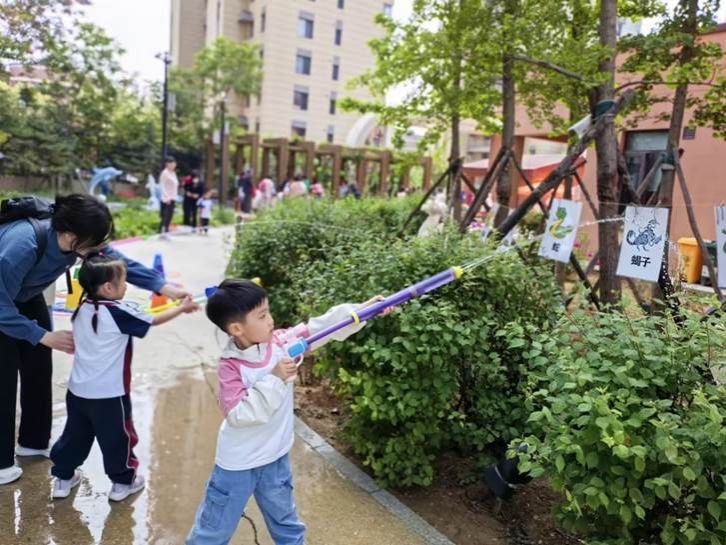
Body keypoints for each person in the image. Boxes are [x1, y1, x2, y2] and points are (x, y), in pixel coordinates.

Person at [0, 193, 190, 485]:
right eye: (95, 242)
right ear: (70, 235)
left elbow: (117, 263)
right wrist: (43, 335)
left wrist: (164, 286)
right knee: (4, 376)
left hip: (25, 294)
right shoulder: (22, 245)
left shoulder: (81, 240)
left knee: (38, 367)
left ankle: (33, 443)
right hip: (2, 298)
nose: (98, 247)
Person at [185, 280, 389, 545]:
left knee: (287, 524)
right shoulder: (231, 367)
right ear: (236, 328)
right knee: (213, 530)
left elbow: (322, 328)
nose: (270, 320)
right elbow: (237, 415)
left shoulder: (282, 343)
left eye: (268, 311)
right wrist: (274, 378)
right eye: (262, 316)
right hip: (237, 465)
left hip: (275, 457)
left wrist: (364, 310)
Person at [49, 254, 200, 500]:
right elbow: (152, 320)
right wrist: (181, 308)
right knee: (117, 438)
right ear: (108, 288)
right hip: (109, 394)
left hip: (78, 391)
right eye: (123, 281)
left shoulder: (82, 307)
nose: (126, 286)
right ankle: (122, 483)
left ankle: (63, 478)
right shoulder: (118, 312)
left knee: (75, 435)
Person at [159, 156, 179, 237]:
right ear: (167, 164)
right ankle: (163, 232)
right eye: (171, 163)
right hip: (167, 198)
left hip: (173, 197)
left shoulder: (173, 173)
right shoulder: (165, 173)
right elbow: (162, 185)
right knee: (165, 216)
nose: (173, 165)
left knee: (169, 216)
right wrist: (166, 197)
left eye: (174, 163)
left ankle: (166, 231)